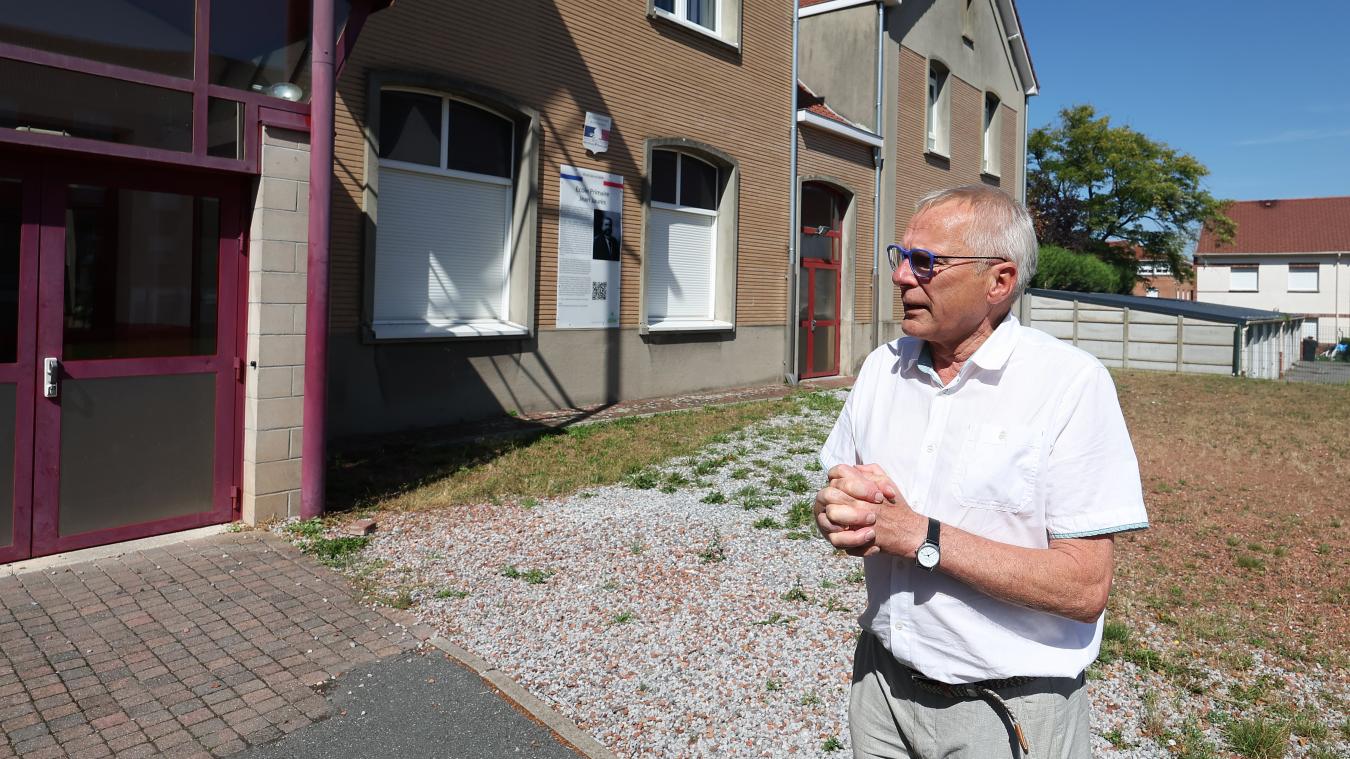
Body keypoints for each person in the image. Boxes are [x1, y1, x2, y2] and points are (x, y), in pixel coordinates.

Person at [813, 185, 1148, 758]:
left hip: (1008, 710)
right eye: (902, 256)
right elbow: (837, 483)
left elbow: (1085, 587)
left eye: (926, 263)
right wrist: (838, 508)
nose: (901, 277)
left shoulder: (1069, 385)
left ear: (999, 281)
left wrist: (921, 536)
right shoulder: (881, 368)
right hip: (880, 687)